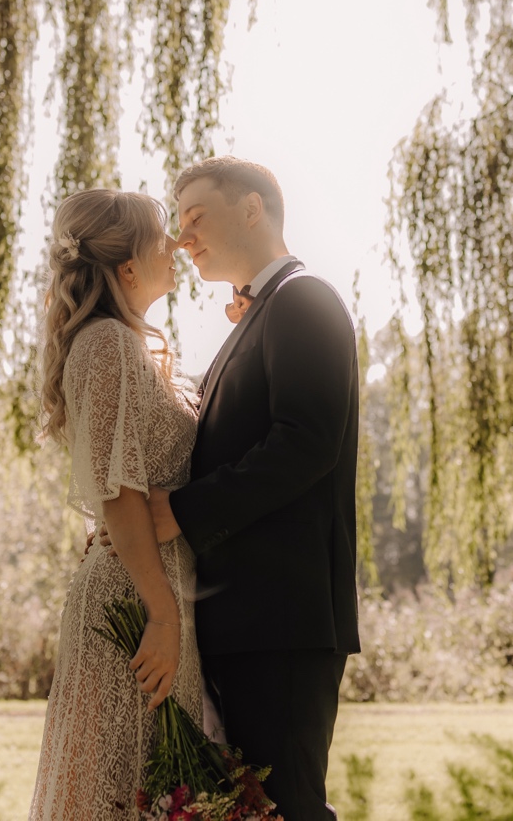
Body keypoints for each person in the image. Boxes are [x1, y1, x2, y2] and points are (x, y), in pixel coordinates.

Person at [147, 157, 361, 820]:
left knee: (290, 807)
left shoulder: (305, 299)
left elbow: (305, 442)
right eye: (178, 223)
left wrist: (177, 512)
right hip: (245, 619)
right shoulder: (260, 313)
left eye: (195, 217)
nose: (182, 239)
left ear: (252, 210)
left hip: (282, 621)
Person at [28, 189, 204, 820]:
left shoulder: (124, 344)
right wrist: (162, 615)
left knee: (148, 789)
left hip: (153, 590)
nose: (177, 246)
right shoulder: (105, 345)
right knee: (118, 790)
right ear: (127, 266)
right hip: (136, 603)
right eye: (163, 235)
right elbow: (119, 494)